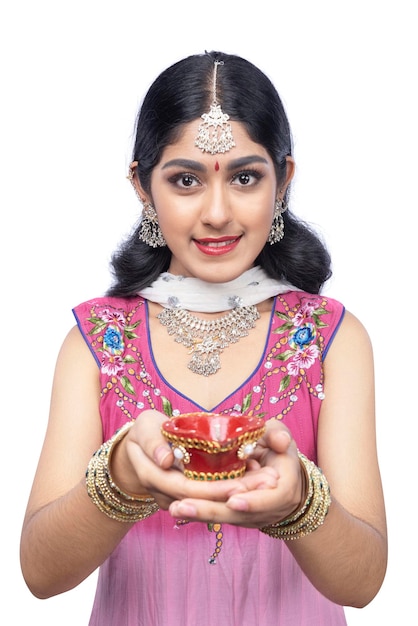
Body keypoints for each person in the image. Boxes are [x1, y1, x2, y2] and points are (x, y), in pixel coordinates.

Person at [20, 51, 387, 626]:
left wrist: (300, 504)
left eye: (245, 177)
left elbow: (362, 582)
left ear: (283, 179)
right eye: (185, 180)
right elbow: (40, 576)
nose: (218, 213)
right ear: (142, 186)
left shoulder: (331, 340)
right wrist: (118, 479)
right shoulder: (95, 343)